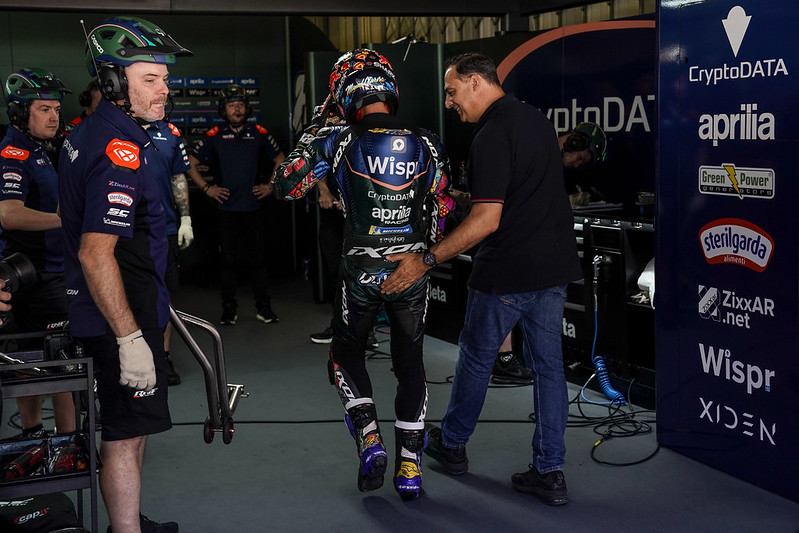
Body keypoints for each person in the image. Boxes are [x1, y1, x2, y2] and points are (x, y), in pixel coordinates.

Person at [381, 53, 582, 506]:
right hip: (554, 268)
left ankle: (452, 445)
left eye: (452, 91)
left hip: (507, 270)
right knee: (549, 370)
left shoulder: (491, 134)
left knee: (475, 358)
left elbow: (487, 219)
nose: (449, 102)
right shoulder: (536, 120)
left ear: (475, 82)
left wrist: (424, 259)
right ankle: (550, 473)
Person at [273, 48, 453, 500]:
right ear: (389, 88)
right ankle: (410, 469)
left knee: (344, 355)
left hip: (360, 268)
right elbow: (444, 201)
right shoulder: (427, 140)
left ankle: (370, 439)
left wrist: (316, 126)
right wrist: (422, 251)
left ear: (343, 93)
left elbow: (285, 186)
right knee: (410, 365)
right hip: (412, 269)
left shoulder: (335, 136)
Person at [58, 16, 192, 533]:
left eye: (165, 79)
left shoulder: (94, 132)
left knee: (132, 431)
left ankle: (127, 520)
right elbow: (96, 254)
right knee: (122, 435)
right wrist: (130, 338)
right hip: (119, 318)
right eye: (150, 80)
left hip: (124, 307)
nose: (165, 90)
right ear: (114, 82)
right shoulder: (118, 148)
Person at [490, 121, 608, 384]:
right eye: (580, 158)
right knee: (505, 299)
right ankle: (504, 359)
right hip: (512, 241)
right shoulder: (537, 153)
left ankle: (516, 360)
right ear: (575, 142)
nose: (577, 164)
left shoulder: (554, 164)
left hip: (535, 250)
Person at [0, 68, 75, 440]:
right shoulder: (13, 153)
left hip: (56, 270)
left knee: (57, 362)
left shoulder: (43, 149)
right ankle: (40, 438)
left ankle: (66, 444)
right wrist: (65, 220)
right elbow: (9, 214)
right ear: (19, 113)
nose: (53, 117)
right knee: (39, 362)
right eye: (44, 109)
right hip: (33, 276)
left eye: (56, 109)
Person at [187, 84, 285, 326]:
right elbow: (190, 162)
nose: (237, 109)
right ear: (224, 109)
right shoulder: (215, 134)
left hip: (253, 208)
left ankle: (264, 308)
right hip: (226, 210)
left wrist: (271, 186)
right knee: (227, 262)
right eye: (232, 105)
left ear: (247, 108)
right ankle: (229, 310)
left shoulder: (258, 132)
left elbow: (281, 159)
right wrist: (207, 188)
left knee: (258, 260)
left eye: (240, 105)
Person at [147, 118, 193, 385]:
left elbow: (178, 177)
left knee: (164, 296)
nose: (161, 98)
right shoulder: (118, 127)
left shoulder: (171, 132)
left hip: (164, 228)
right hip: (125, 229)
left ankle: (162, 357)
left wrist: (185, 218)